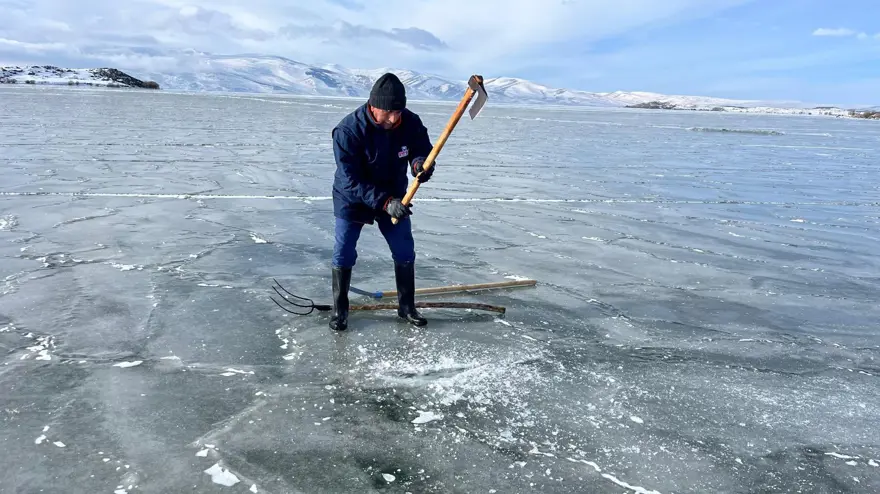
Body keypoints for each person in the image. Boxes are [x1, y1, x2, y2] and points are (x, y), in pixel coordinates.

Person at [328, 72, 436, 331]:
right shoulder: (348, 131)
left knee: (404, 249)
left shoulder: (409, 122)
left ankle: (406, 307)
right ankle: (340, 310)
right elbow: (349, 179)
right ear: (372, 106)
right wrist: (384, 202)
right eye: (388, 113)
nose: (393, 118)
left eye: (398, 112)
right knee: (344, 251)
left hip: (394, 194)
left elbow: (421, 147)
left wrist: (420, 163)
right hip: (352, 198)